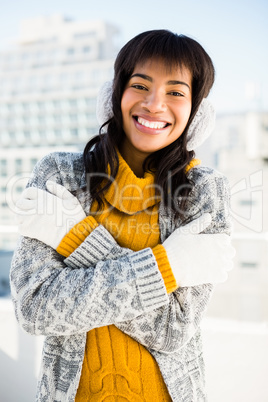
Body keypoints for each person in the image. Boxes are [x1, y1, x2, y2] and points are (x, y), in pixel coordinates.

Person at [10, 30, 235, 401]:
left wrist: (77, 239)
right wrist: (167, 267)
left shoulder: (206, 190)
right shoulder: (60, 176)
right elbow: (35, 309)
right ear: (113, 95)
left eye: (176, 92)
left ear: (197, 114)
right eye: (140, 85)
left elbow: (172, 330)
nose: (154, 103)